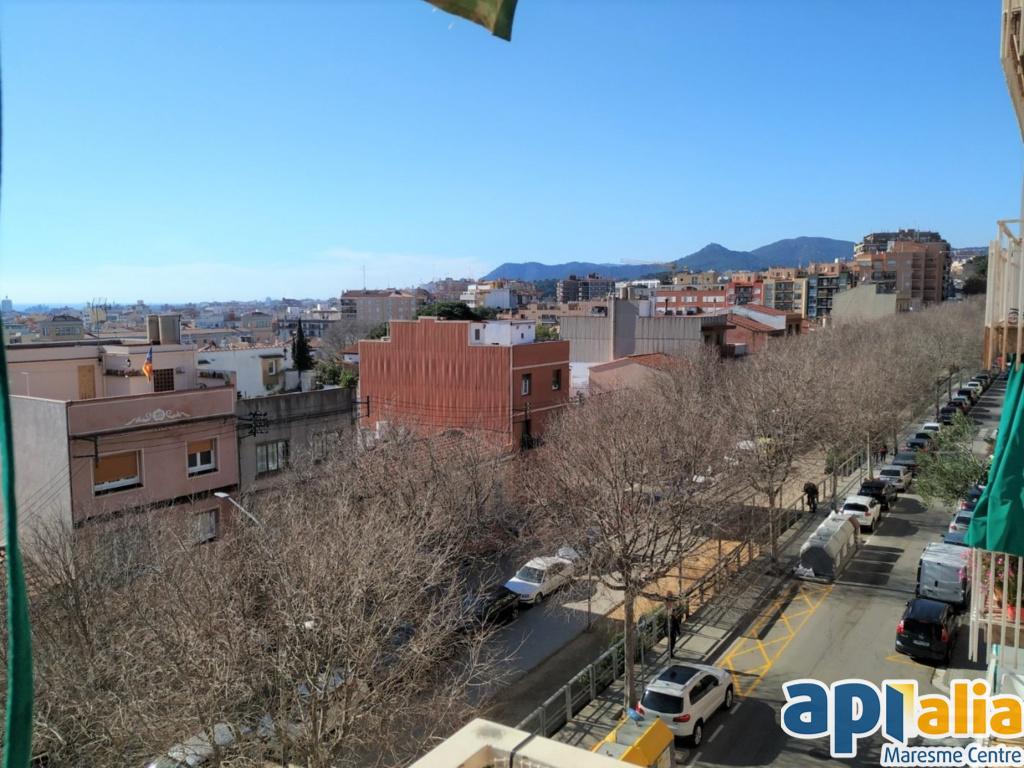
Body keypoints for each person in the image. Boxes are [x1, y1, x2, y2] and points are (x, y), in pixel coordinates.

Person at [665, 592, 680, 658]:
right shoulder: (672, 617)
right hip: (671, 632)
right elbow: (676, 625)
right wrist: (678, 632)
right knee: (672, 642)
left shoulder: (670, 617)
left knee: (671, 642)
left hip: (670, 632)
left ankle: (670, 652)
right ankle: (670, 653)